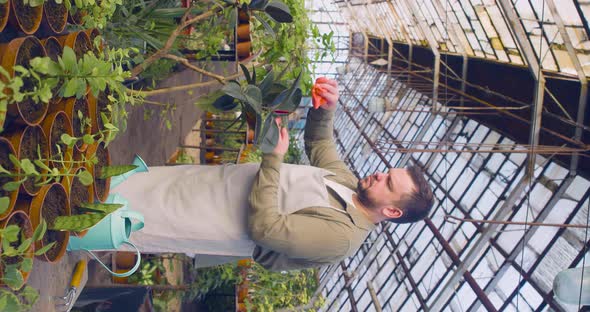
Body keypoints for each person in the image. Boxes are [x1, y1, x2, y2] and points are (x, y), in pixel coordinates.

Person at [112, 78, 434, 271]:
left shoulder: (342, 238)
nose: (378, 174)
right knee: (145, 184)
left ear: (392, 211)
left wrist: (274, 159)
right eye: (386, 171)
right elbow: (320, 141)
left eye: (387, 183)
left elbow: (265, 228)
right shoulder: (348, 184)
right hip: (216, 185)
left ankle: (72, 220)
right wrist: (326, 106)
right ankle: (76, 187)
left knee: (136, 217)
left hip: (215, 220)